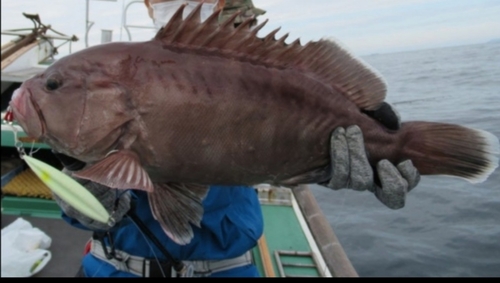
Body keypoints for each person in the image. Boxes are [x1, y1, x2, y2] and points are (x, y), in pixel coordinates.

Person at [52, 0, 420, 277]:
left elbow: (283, 131)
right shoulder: (105, 78)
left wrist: (341, 158)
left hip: (230, 268)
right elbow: (83, 206)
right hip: (113, 266)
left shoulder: (251, 75)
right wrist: (79, 179)